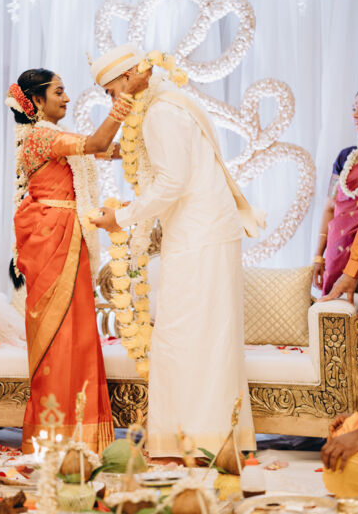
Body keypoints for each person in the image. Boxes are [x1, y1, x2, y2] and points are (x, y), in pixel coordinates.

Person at [90, 44, 258, 458]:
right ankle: (216, 439)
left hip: (199, 234)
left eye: (112, 91)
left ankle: (190, 443)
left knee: (184, 334)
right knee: (208, 335)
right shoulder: (173, 101)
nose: (113, 101)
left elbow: (171, 182)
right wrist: (121, 153)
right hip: (208, 230)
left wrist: (121, 217)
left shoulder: (160, 112)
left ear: (130, 78)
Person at [6, 68, 137, 454]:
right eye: (59, 92)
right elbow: (98, 142)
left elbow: (105, 150)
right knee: (60, 335)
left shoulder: (51, 135)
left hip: (67, 234)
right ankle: (56, 437)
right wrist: (126, 98)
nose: (66, 98)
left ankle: (78, 434)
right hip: (52, 238)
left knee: (76, 332)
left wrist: (141, 143)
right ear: (37, 100)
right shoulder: (41, 135)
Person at [312, 89, 358, 295]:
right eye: (354, 108)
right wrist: (318, 256)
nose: (355, 114)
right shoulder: (345, 157)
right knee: (333, 311)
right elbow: (330, 207)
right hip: (336, 253)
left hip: (357, 257)